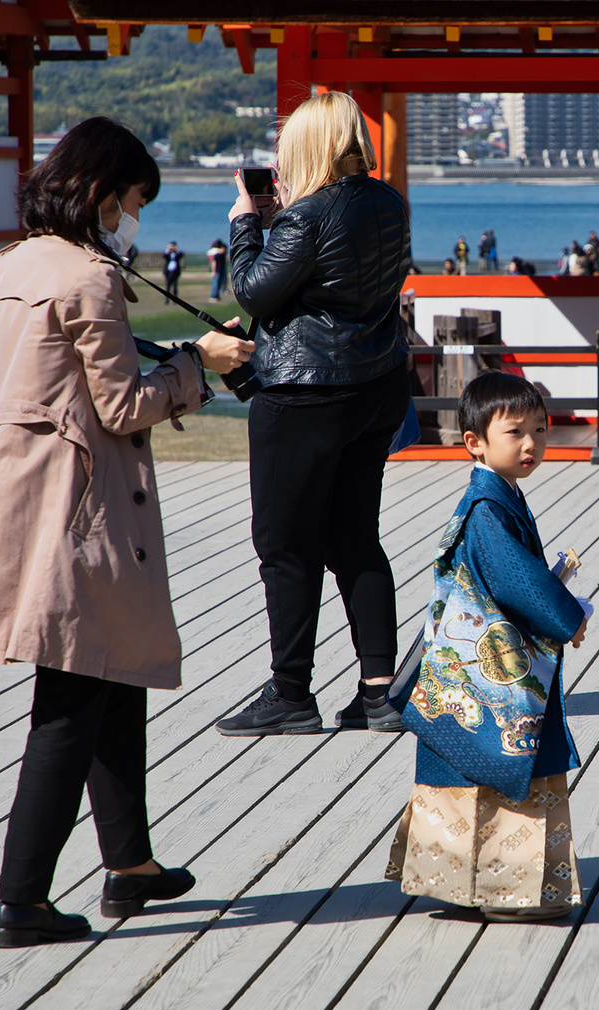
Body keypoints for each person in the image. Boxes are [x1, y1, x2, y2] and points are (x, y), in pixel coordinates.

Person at [0, 116, 254, 948]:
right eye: (134, 201)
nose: (135, 219)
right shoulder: (88, 278)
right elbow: (122, 405)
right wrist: (197, 365)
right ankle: (21, 901)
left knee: (110, 667)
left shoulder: (4, 268)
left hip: (15, 502)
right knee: (71, 695)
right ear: (104, 193)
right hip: (81, 510)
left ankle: (129, 864)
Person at [219, 91, 413, 737]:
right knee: (354, 537)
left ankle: (290, 693)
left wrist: (247, 224)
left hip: (305, 392)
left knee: (285, 546)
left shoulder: (303, 218)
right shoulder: (387, 201)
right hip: (376, 383)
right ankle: (378, 691)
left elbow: (252, 292)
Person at [386, 371, 590, 922]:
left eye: (540, 431)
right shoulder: (487, 509)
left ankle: (462, 879)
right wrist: (565, 616)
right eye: (515, 432)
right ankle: (510, 891)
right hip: (491, 674)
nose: (531, 444)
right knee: (505, 763)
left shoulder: (498, 499)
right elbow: (513, 580)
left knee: (470, 764)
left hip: (477, 662)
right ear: (474, 442)